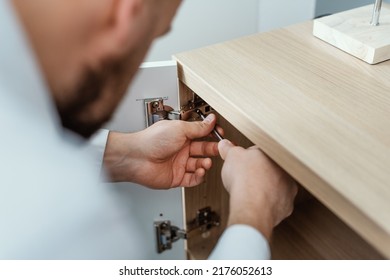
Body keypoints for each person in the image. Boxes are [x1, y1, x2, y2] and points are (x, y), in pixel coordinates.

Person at [0, 0, 297, 259]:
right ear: (125, 16)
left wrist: (126, 156)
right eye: (155, 35)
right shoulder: (60, 225)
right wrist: (255, 211)